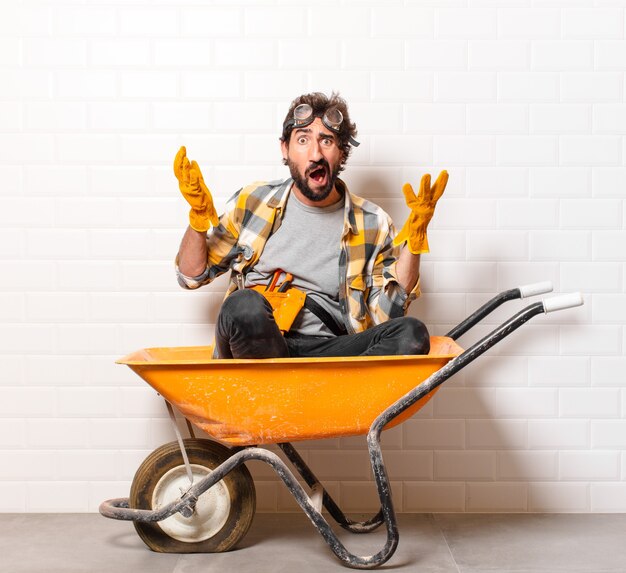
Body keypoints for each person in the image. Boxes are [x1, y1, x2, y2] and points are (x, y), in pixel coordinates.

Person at [174, 92, 447, 359]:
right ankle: (280, 389)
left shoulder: (373, 223)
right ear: (285, 148)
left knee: (411, 333)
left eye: (327, 141)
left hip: (327, 353)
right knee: (243, 306)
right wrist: (198, 218)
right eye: (303, 140)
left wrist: (415, 240)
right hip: (259, 348)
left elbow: (385, 315)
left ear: (341, 153)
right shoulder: (253, 201)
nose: (315, 153)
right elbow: (191, 275)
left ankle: (322, 391)